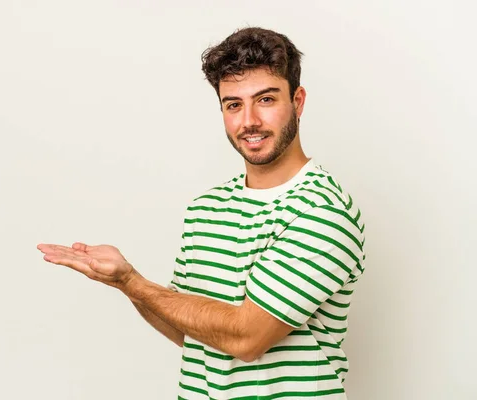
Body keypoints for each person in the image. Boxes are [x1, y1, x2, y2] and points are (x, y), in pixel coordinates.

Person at [38, 27, 366, 400]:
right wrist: (123, 282)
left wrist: (134, 282)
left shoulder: (323, 211)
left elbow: (246, 338)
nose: (249, 121)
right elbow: (190, 332)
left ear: (298, 101)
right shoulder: (206, 209)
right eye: (233, 104)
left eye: (266, 99)